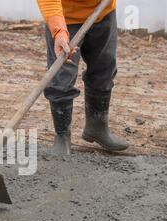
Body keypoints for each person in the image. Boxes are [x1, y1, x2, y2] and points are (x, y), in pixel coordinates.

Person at [36, 0, 129, 154]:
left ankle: (97, 127)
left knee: (104, 66)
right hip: (66, 19)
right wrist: (59, 31)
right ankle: (62, 137)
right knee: (62, 76)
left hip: (102, 11)